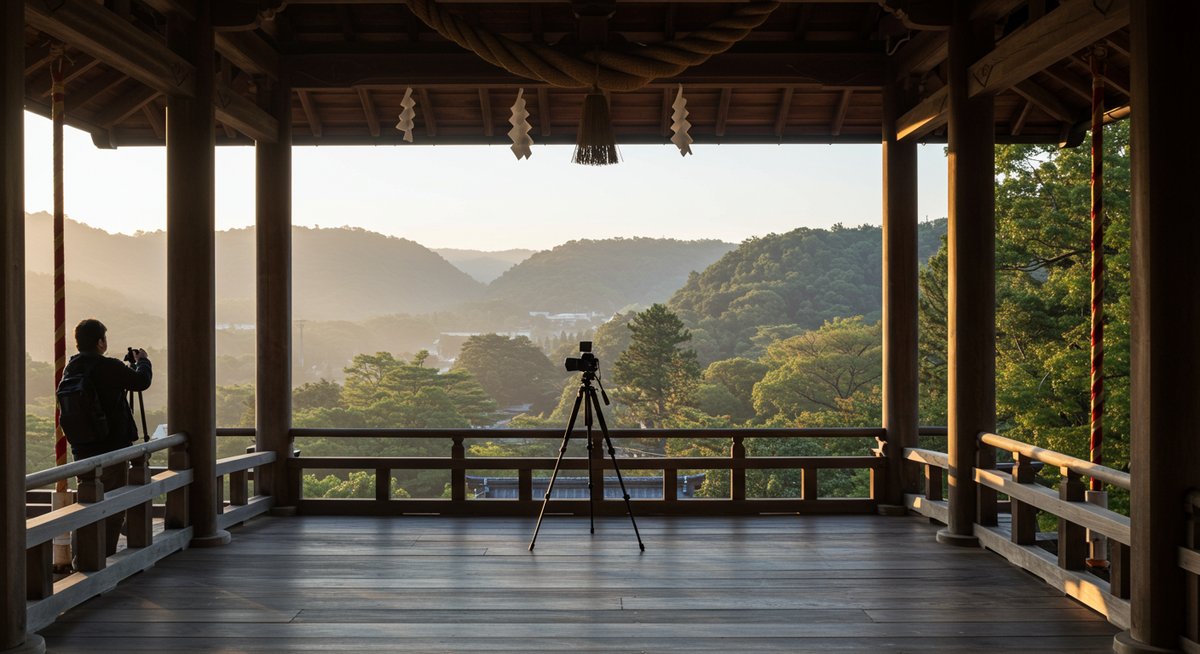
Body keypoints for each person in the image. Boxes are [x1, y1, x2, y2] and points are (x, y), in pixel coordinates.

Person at [64, 318, 152, 559]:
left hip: (81, 449)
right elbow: (141, 382)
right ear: (101, 342)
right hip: (112, 449)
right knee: (112, 507)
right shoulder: (110, 367)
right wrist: (142, 361)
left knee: (87, 504)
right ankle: (99, 561)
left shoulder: (72, 367)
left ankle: (80, 557)